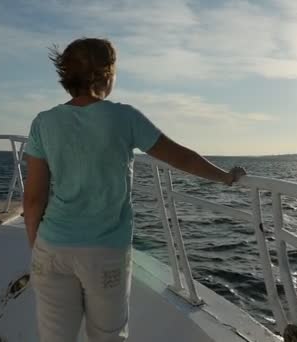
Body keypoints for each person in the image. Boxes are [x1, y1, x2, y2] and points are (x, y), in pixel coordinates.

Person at [23, 37, 246, 342]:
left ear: (67, 77)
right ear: (107, 75)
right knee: (108, 336)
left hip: (51, 249)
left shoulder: (43, 122)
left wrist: (37, 246)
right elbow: (183, 157)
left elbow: (34, 199)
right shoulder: (124, 117)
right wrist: (225, 177)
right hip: (104, 252)